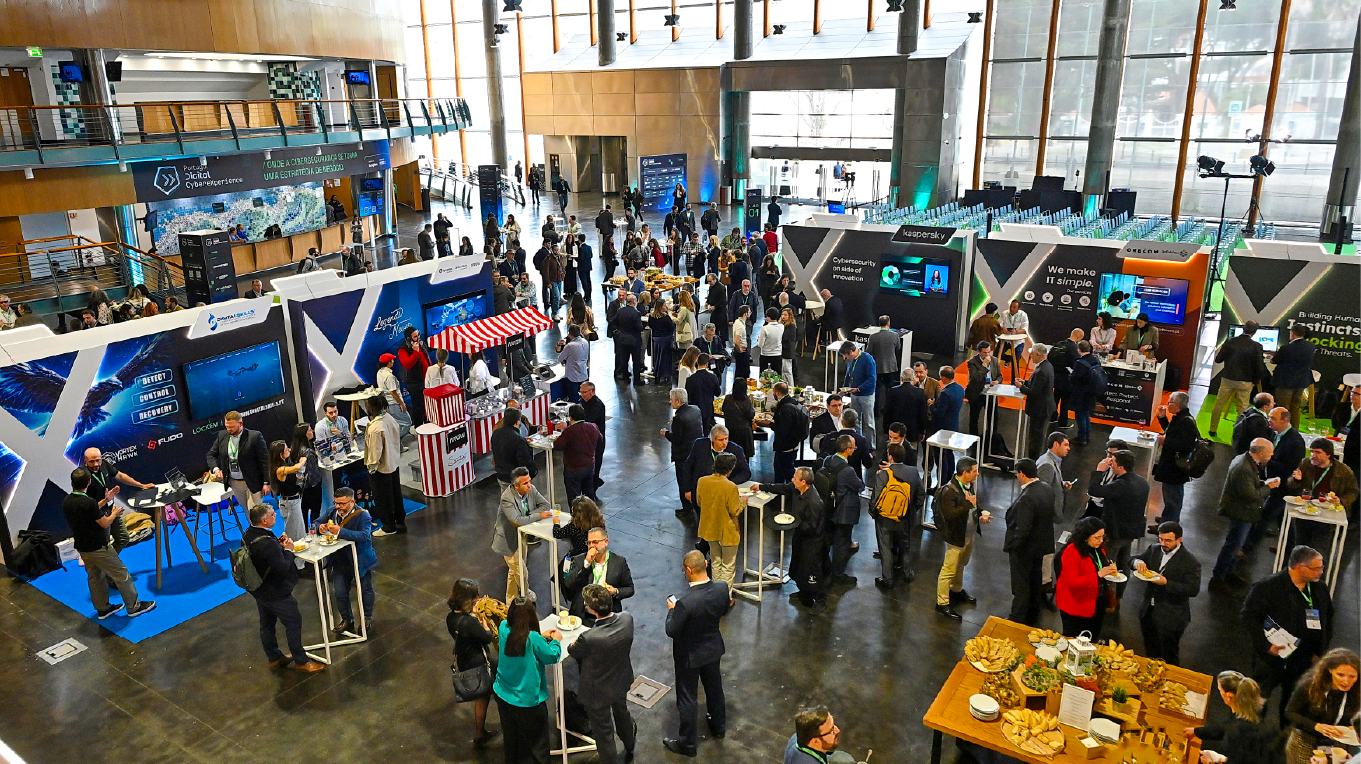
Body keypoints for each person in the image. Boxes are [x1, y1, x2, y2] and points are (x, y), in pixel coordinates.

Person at [1243, 545, 1335, 725]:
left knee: (1293, 704)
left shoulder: (1319, 589)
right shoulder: (1267, 587)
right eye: (1317, 568)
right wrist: (1266, 646)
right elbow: (1249, 616)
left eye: (1321, 568)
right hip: (1271, 659)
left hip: (1304, 661)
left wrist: (1320, 653)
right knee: (1259, 700)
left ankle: (1285, 740)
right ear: (1300, 567)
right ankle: (1251, 736)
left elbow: (1328, 620)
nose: (1321, 572)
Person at [663, 550, 733, 757]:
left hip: (689, 655)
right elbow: (722, 610)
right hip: (712, 648)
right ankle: (719, 727)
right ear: (706, 564)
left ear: (689, 570)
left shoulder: (686, 602)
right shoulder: (722, 588)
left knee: (687, 697)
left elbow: (672, 630)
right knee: (714, 688)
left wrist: (672, 610)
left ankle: (687, 744)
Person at [63, 467, 157, 620]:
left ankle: (103, 609)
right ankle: (134, 607)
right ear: (89, 481)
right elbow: (105, 523)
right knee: (122, 574)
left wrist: (105, 500)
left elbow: (89, 511)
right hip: (98, 547)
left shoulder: (68, 501)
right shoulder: (88, 502)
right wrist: (114, 514)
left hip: (82, 548)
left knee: (95, 577)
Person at [240, 502, 321, 670]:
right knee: (293, 623)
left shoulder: (248, 534)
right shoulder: (267, 543)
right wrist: (288, 550)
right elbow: (282, 568)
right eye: (272, 515)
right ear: (263, 520)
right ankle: (301, 661)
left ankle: (274, 658)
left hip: (259, 590)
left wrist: (278, 546)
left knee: (267, 624)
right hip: (276, 592)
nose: (275, 515)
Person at [568, 583, 638, 764]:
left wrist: (572, 643)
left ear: (591, 609)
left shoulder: (589, 637)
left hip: (597, 692)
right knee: (622, 712)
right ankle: (630, 744)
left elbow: (573, 651)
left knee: (604, 732)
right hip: (620, 680)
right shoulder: (627, 619)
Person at [494, 596, 563, 764]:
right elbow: (552, 656)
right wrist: (556, 641)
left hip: (503, 694)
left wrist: (540, 635)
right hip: (527, 702)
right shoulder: (532, 639)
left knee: (512, 739)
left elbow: (520, 635)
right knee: (537, 745)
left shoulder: (503, 627)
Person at [1210, 438, 1279, 592]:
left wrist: (1264, 483)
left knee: (1236, 545)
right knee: (1233, 545)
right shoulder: (1244, 468)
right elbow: (1251, 495)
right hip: (1241, 512)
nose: (1271, 455)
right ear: (1261, 452)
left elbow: (1249, 486)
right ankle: (1218, 577)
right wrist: (1269, 487)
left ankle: (1228, 572)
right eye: (1270, 452)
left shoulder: (1244, 461)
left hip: (1243, 511)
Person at [757, 467, 828, 613]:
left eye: (795, 478)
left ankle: (820, 600)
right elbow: (782, 488)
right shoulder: (796, 489)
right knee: (798, 566)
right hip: (800, 537)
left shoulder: (813, 502)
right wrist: (761, 486)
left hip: (812, 542)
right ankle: (804, 594)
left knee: (811, 570)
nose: (792, 480)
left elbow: (812, 527)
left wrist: (791, 523)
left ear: (803, 482)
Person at [1133, 521, 1202, 666]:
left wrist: (1166, 583)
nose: (1164, 543)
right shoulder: (1154, 549)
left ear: (1179, 540)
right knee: (1150, 652)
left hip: (1171, 617)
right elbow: (1133, 559)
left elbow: (1192, 589)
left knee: (1168, 656)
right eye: (1161, 539)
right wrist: (1137, 562)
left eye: (1168, 541)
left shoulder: (1190, 562)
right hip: (1148, 612)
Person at [1088, 449, 1151, 603]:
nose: (1111, 465)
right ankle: (1119, 596)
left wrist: (1099, 471)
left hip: (1115, 532)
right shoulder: (1142, 482)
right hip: (1131, 532)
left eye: (1113, 462)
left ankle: (1109, 599)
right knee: (1124, 563)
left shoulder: (1120, 485)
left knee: (1110, 566)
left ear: (1121, 467)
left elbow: (1094, 490)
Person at [446, 579, 502, 748]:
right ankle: (480, 733)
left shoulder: (451, 618)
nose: (478, 598)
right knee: (483, 697)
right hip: (479, 663)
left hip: (465, 660)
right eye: (475, 596)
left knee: (483, 695)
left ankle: (481, 732)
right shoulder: (469, 622)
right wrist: (484, 624)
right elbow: (486, 637)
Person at [1002, 458, 1056, 625]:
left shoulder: (1028, 496)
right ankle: (1034, 610)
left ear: (1022, 474)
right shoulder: (1046, 488)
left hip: (1025, 548)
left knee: (1021, 583)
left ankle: (1017, 616)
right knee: (1035, 577)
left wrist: (1015, 546)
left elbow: (1023, 528)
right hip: (1041, 545)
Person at [1283, 649, 1360, 764]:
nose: (1346, 681)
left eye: (1352, 676)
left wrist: (1352, 728)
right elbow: (1290, 712)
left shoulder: (1356, 692)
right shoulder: (1310, 686)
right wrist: (1317, 726)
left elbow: (1350, 718)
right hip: (1305, 740)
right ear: (1330, 670)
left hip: (1337, 742)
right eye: (1340, 675)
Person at [316, 488, 376, 635]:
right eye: (336, 503)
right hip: (339, 560)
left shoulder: (363, 516)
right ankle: (347, 620)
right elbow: (317, 522)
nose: (338, 507)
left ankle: (367, 618)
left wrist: (340, 531)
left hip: (359, 559)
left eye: (342, 504)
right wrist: (321, 528)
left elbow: (364, 535)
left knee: (365, 590)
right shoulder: (332, 512)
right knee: (340, 592)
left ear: (352, 501)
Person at [1184, 671, 1275, 764]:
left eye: (1220, 690)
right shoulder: (1248, 711)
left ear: (1229, 696)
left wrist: (1211, 762)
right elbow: (1225, 727)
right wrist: (1196, 732)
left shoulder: (1239, 732)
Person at [493, 469, 554, 604]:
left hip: (522, 537)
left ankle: (509, 602)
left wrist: (527, 517)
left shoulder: (531, 489)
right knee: (521, 571)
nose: (529, 485)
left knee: (514, 571)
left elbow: (546, 505)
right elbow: (516, 521)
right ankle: (526, 593)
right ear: (516, 486)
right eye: (525, 483)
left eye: (529, 481)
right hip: (509, 541)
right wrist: (537, 516)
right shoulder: (507, 498)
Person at [935, 457, 985, 620]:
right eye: (975, 471)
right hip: (956, 537)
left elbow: (972, 505)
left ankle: (956, 590)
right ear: (965, 473)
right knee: (948, 570)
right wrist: (968, 505)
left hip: (968, 535)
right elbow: (950, 515)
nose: (977, 474)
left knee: (961, 564)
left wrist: (979, 514)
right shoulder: (949, 491)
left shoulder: (967, 486)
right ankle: (942, 603)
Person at [871, 442, 924, 590]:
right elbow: (921, 494)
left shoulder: (884, 474)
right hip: (905, 517)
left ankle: (887, 580)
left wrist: (874, 513)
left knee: (886, 548)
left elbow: (875, 497)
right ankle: (907, 573)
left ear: (890, 457)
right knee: (905, 546)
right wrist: (912, 510)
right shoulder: (913, 472)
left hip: (885, 518)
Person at [80, 447, 154, 553]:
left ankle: (108, 563)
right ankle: (103, 564)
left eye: (98, 460)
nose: (96, 464)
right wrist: (105, 500)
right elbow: (87, 507)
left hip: (111, 510)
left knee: (123, 537)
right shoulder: (82, 476)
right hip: (96, 515)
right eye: (91, 461)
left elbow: (120, 476)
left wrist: (141, 485)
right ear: (85, 461)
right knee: (102, 546)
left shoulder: (104, 464)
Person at [1055, 516, 1117, 638]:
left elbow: (1099, 564)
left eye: (1102, 537)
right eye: (1096, 537)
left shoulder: (1098, 549)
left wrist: (1109, 568)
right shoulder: (1071, 552)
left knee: (1093, 637)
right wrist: (1098, 575)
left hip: (1096, 602)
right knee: (1075, 639)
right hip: (1076, 605)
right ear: (1084, 537)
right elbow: (1072, 582)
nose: (1100, 541)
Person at [563, 528, 635, 623]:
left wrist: (615, 591)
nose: (592, 546)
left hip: (607, 615)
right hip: (583, 614)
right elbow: (568, 584)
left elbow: (630, 589)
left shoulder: (619, 562)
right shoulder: (579, 560)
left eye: (595, 542)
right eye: (589, 543)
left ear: (606, 542)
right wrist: (586, 564)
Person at [1211, 321, 1268, 436]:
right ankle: (1238, 433)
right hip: (1245, 382)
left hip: (1227, 379)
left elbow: (1218, 359)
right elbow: (1259, 368)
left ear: (1243, 328)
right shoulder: (1257, 346)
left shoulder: (1230, 341)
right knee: (1242, 409)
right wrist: (1255, 382)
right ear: (1255, 332)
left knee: (1219, 404)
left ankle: (1212, 429)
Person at [822, 435, 866, 587]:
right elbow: (860, 486)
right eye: (853, 447)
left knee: (828, 539)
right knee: (841, 544)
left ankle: (825, 568)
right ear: (847, 450)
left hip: (829, 508)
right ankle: (838, 575)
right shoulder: (848, 471)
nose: (854, 449)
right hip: (844, 512)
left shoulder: (827, 460)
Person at [696, 453, 745, 587]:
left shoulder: (702, 481)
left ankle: (716, 594)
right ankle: (725, 596)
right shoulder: (731, 487)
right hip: (727, 532)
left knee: (715, 562)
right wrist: (743, 501)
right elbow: (735, 510)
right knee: (728, 566)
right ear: (730, 469)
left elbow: (699, 502)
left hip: (710, 528)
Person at [206, 410, 270, 512]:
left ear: (240, 424)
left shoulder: (254, 437)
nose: (228, 429)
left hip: (253, 481)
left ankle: (260, 528)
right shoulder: (222, 436)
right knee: (247, 511)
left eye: (231, 427)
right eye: (227, 426)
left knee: (256, 514)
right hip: (234, 482)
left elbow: (265, 461)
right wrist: (216, 469)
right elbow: (211, 455)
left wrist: (266, 482)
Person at [1153, 391, 1200, 526]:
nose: (1167, 405)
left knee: (1173, 498)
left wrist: (1166, 441)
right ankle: (1166, 519)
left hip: (1175, 468)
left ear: (1177, 405)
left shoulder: (1185, 422)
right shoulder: (1180, 417)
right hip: (1172, 465)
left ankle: (1169, 524)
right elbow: (1172, 432)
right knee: (1170, 497)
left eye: (1170, 402)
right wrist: (1162, 417)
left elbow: (1186, 445)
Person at [364, 394, 406, 536]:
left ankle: (389, 527)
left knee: (383, 499)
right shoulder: (389, 418)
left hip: (382, 469)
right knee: (396, 494)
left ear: (370, 408)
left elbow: (375, 452)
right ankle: (400, 521)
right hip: (393, 462)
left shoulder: (375, 428)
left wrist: (371, 467)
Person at [684, 426, 752, 510]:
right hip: (701, 492)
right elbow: (688, 466)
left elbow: (746, 472)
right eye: (720, 440)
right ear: (712, 439)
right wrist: (687, 490)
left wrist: (727, 483)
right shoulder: (699, 445)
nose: (724, 443)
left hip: (722, 495)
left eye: (726, 439)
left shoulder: (736, 450)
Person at [269, 440, 308, 569]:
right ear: (281, 454)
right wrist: (303, 459)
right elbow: (296, 468)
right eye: (287, 450)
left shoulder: (283, 466)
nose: (289, 451)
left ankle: (300, 563)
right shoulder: (280, 470)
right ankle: (297, 565)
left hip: (293, 501)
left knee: (299, 531)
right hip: (290, 503)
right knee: (295, 534)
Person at [554, 404, 602, 504]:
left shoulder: (569, 431)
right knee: (589, 496)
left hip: (573, 469)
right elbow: (600, 439)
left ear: (570, 417)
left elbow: (558, 446)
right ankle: (591, 516)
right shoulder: (593, 426)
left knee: (574, 499)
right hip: (589, 466)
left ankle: (577, 518)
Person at [1018, 344, 1056, 459]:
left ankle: (1033, 462)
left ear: (1038, 355)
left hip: (1039, 409)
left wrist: (1021, 386)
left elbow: (1034, 392)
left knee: (1036, 438)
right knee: (1039, 436)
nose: (1030, 356)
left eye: (1032, 354)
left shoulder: (1041, 371)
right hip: (1045, 407)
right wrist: (1025, 382)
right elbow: (1037, 385)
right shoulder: (1047, 365)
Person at [884, 369, 930, 460]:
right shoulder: (920, 393)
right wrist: (922, 431)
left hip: (895, 431)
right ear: (913, 378)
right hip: (913, 431)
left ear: (901, 378)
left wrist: (886, 430)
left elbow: (887, 412)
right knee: (911, 455)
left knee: (894, 455)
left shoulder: (892, 392)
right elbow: (923, 414)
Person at [841, 341, 878, 449]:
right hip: (854, 394)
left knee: (869, 423)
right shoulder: (851, 360)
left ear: (851, 352)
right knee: (855, 421)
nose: (845, 357)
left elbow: (872, 379)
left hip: (866, 395)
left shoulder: (867, 359)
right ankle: (857, 443)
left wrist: (859, 389)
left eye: (846, 355)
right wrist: (844, 388)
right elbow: (848, 374)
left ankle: (871, 447)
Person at [770, 382, 809, 484]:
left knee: (786, 471)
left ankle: (789, 493)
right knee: (780, 469)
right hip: (793, 444)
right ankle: (780, 491)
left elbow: (783, 429)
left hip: (785, 446)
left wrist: (771, 424)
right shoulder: (792, 402)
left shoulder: (785, 408)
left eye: (774, 392)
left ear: (777, 392)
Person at [491, 409, 536, 494]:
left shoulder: (496, 433)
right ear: (517, 422)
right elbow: (525, 462)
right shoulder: (518, 440)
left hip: (501, 476)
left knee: (506, 502)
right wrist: (531, 474)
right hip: (516, 480)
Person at [1068, 340, 1103, 445]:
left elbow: (1074, 378)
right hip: (1092, 392)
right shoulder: (1096, 360)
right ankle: (1087, 434)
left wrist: (1070, 375)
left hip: (1081, 393)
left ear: (1079, 350)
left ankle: (1081, 437)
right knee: (1086, 414)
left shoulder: (1080, 363)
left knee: (1080, 415)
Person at [965, 341, 1002, 437]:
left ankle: (991, 437)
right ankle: (973, 438)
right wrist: (984, 365)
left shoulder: (994, 360)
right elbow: (976, 378)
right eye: (985, 352)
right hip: (977, 393)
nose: (987, 354)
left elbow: (999, 376)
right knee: (974, 417)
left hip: (991, 393)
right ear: (979, 352)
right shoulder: (972, 362)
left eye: (989, 352)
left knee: (993, 416)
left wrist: (997, 381)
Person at [1035, 431, 1073, 521]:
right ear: (1056, 444)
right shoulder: (1047, 465)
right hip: (1046, 516)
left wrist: (1062, 484)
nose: (1068, 448)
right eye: (1066, 445)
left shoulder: (1051, 460)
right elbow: (1041, 493)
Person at [398, 327, 430, 428]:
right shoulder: (402, 349)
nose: (418, 338)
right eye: (415, 336)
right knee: (418, 406)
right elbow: (407, 365)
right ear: (409, 338)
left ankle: (429, 424)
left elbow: (426, 358)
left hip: (426, 379)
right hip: (414, 382)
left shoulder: (421, 343)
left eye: (418, 335)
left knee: (428, 404)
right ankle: (419, 427)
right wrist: (415, 352)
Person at [1050, 329, 1082, 428]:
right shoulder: (1073, 347)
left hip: (1055, 376)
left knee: (1056, 397)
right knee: (1065, 401)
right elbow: (1075, 363)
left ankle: (1052, 417)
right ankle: (1063, 422)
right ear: (1079, 337)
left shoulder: (1060, 343)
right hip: (1066, 378)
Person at [579, 381, 608, 489]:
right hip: (586, 441)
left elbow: (588, 421)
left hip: (596, 442)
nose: (582, 395)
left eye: (585, 392)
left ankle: (593, 488)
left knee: (595, 466)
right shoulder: (582, 402)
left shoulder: (597, 405)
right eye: (581, 392)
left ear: (593, 391)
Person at [721, 377, 756, 467]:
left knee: (731, 457)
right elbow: (751, 414)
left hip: (731, 431)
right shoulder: (746, 400)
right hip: (744, 433)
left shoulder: (728, 399)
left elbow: (723, 409)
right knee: (744, 458)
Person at [685, 352, 722, 435]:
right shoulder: (713, 377)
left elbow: (687, 397)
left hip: (694, 410)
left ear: (697, 362)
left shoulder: (690, 379)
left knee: (695, 432)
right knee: (706, 432)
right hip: (708, 409)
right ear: (707, 364)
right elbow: (718, 393)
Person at [376, 352, 412, 436]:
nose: (393, 361)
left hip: (387, 403)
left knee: (396, 424)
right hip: (394, 403)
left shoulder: (379, 372)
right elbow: (393, 392)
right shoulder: (389, 376)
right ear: (388, 362)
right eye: (392, 360)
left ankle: (398, 446)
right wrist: (401, 403)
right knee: (407, 423)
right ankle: (396, 441)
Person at [614, 294, 645, 384]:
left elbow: (613, 322)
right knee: (636, 360)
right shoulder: (636, 313)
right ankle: (637, 380)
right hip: (634, 341)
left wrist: (618, 331)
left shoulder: (620, 311)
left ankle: (625, 377)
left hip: (623, 339)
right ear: (634, 302)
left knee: (624, 359)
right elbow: (638, 327)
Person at [555, 325, 590, 403]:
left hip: (572, 377)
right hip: (583, 374)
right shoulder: (585, 341)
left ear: (570, 335)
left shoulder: (570, 346)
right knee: (585, 397)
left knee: (574, 400)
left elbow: (560, 358)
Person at [997, 300, 1030, 376]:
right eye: (1011, 306)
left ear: (1019, 308)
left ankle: (1014, 383)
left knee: (1016, 361)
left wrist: (1016, 331)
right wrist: (1003, 329)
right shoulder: (1004, 313)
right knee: (996, 356)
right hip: (1005, 340)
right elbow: (999, 324)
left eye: (1014, 307)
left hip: (1018, 341)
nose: (1011, 308)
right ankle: (1008, 359)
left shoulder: (1023, 315)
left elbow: (1025, 330)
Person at [650, 299, 677, 385]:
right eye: (665, 306)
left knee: (657, 358)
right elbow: (672, 327)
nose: (666, 307)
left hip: (656, 338)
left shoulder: (651, 316)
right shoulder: (665, 317)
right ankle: (666, 376)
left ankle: (657, 376)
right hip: (665, 339)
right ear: (661, 307)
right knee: (665, 359)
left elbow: (650, 325)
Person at [757, 307, 785, 374]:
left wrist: (758, 340)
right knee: (777, 376)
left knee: (764, 377)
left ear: (768, 317)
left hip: (765, 355)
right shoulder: (782, 327)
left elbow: (760, 345)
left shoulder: (765, 328)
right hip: (777, 354)